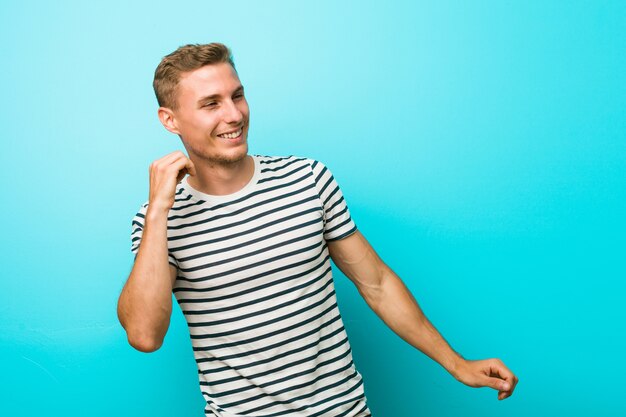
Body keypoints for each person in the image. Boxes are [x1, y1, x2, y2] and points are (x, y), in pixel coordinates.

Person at [117, 43, 518, 416]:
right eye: (211, 104)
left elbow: (376, 283)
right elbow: (144, 335)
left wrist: (456, 364)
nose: (234, 115)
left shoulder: (307, 178)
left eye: (237, 96)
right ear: (170, 120)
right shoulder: (157, 222)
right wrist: (159, 213)